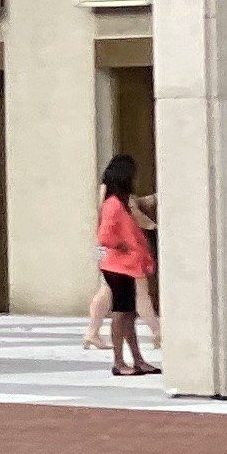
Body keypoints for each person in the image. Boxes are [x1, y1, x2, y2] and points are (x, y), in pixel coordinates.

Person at [98, 153, 159, 377]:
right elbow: (105, 236)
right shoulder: (114, 205)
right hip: (118, 267)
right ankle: (119, 361)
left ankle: (137, 358)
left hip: (126, 265)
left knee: (129, 314)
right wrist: (122, 245)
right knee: (121, 314)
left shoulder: (122, 203)